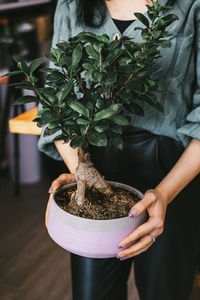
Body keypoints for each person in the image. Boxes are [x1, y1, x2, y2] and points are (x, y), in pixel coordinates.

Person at [38, 0, 200, 299]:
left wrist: (164, 193)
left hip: (171, 175)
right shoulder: (73, 6)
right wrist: (81, 172)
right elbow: (54, 107)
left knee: (164, 291)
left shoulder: (191, 6)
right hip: (97, 167)